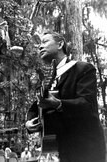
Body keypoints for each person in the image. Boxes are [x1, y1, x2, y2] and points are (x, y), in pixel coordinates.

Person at [25, 30, 106, 162]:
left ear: (60, 44)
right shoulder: (49, 80)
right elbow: (35, 107)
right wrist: (28, 123)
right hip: (64, 148)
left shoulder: (83, 68)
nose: (40, 46)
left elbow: (87, 103)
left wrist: (57, 103)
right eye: (39, 44)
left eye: (45, 41)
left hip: (87, 147)